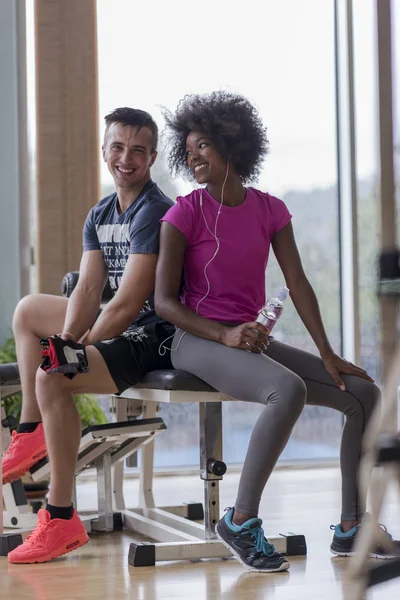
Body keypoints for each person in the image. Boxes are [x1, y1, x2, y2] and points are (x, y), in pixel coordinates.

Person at [155, 91, 399, 573]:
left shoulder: (270, 210)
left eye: (202, 145)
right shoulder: (184, 213)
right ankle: (240, 521)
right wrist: (223, 336)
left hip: (246, 341)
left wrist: (328, 353)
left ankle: (352, 528)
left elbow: (299, 284)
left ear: (232, 145)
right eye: (187, 150)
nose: (193, 156)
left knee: (364, 394)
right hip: (195, 341)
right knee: (286, 389)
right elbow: (164, 303)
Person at [2, 107, 175, 564]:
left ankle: (60, 518)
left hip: (150, 334)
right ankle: (30, 430)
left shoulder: (154, 210)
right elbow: (89, 288)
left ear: (152, 157)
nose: (126, 158)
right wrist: (65, 339)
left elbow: (127, 301)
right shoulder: (100, 212)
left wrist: (75, 352)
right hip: (118, 324)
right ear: (104, 150)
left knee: (51, 375)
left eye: (138, 150)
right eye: (117, 147)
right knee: (28, 311)